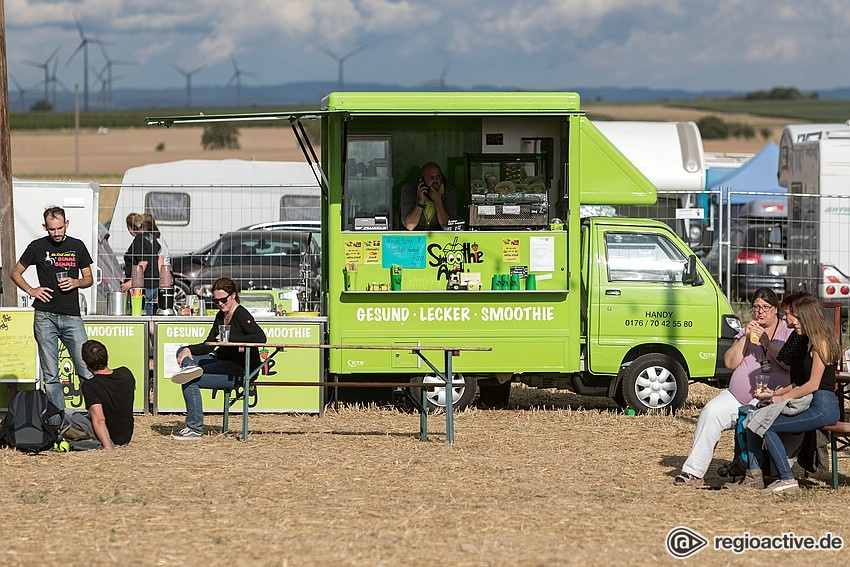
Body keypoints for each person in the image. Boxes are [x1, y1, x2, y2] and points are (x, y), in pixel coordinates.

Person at [673, 288, 791, 487]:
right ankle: (693, 471)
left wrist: (767, 343)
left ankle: (755, 469)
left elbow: (789, 364)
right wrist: (745, 337)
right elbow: (729, 362)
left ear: (775, 309)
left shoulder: (786, 331)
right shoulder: (747, 330)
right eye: (756, 307)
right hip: (738, 395)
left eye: (765, 307)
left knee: (753, 416)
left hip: (770, 395)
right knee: (711, 412)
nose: (760, 312)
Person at [744, 294, 841, 493]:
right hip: (811, 403)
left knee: (767, 426)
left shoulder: (821, 343)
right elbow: (800, 382)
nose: (788, 320)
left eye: (792, 316)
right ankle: (754, 475)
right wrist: (773, 394)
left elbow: (814, 384)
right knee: (754, 419)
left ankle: (787, 480)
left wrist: (783, 397)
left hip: (823, 407)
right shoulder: (807, 342)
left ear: (805, 317)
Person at [10, 206, 94, 416]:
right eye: (52, 229)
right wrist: (31, 290)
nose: (56, 233)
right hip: (44, 316)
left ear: (67, 224)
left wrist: (76, 282)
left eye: (60, 228)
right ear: (44, 227)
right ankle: (58, 421)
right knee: (51, 375)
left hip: (72, 316)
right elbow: (15, 272)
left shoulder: (77, 246)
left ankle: (95, 417)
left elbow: (89, 278)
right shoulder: (36, 247)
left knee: (85, 368)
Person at [169, 277, 267, 440]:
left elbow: (260, 337)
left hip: (239, 368)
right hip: (221, 360)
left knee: (190, 380)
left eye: (223, 300)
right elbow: (209, 345)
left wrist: (232, 341)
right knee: (182, 350)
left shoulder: (241, 313)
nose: (220, 304)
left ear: (233, 295)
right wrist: (188, 349)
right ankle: (189, 367)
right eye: (216, 301)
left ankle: (194, 428)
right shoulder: (221, 316)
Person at [63, 340, 136, 449]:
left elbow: (99, 419)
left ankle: (91, 442)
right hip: (125, 436)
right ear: (107, 357)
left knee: (66, 413)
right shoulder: (125, 373)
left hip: (109, 437)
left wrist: (108, 448)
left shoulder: (90, 386)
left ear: (85, 364)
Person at [121, 212, 160, 315]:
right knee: (150, 314)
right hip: (153, 283)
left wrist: (131, 282)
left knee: (142, 315)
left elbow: (143, 263)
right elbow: (158, 255)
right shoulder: (151, 238)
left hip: (142, 287)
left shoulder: (139, 240)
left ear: (129, 228)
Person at [400, 162, 457, 231]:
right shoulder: (409, 189)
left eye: (438, 176)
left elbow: (447, 226)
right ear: (422, 180)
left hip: (439, 236)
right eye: (431, 177)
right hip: (415, 236)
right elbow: (410, 225)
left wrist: (438, 202)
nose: (435, 180)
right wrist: (420, 202)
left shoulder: (449, 190)